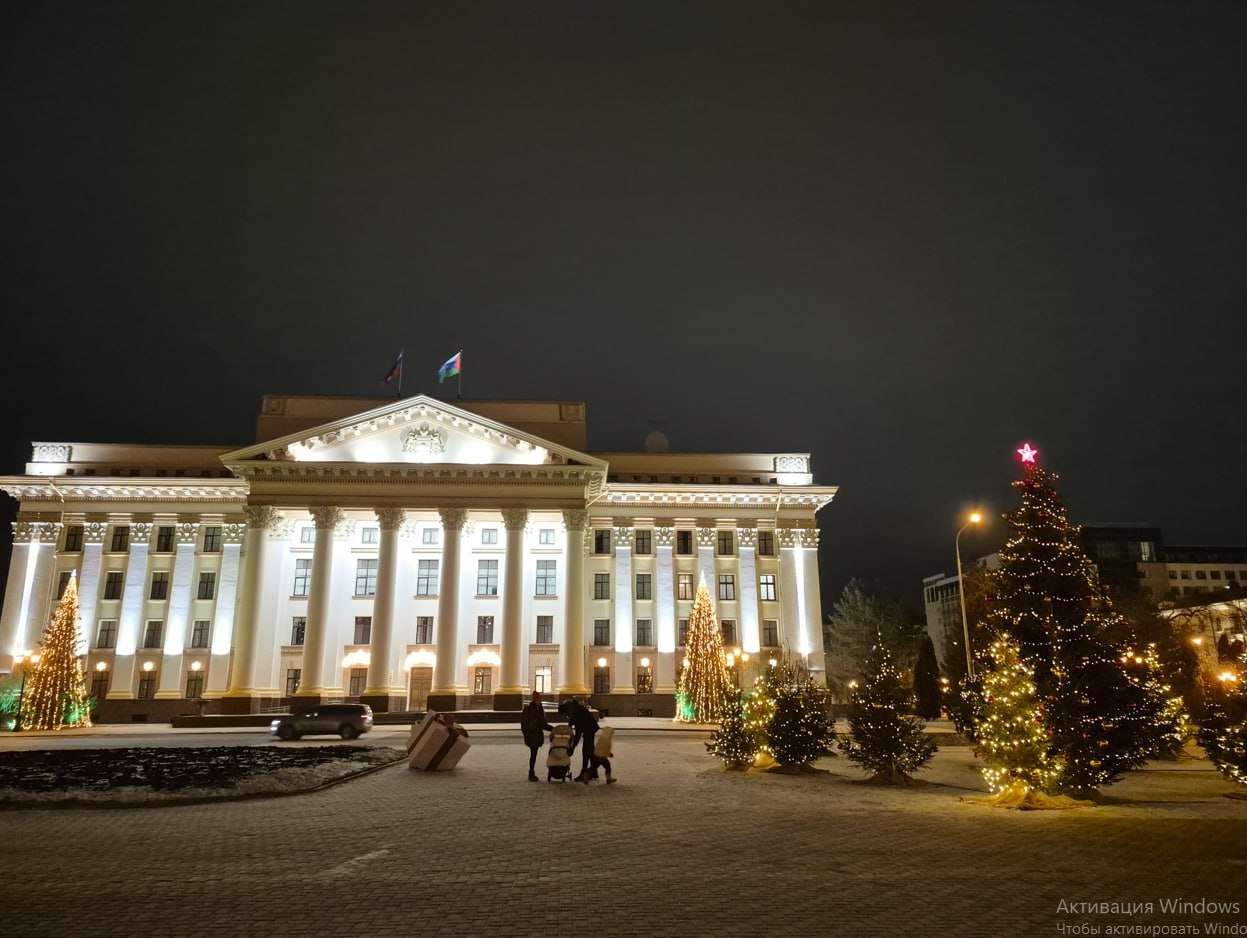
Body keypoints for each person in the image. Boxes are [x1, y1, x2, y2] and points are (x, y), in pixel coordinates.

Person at [566, 696, 615, 784]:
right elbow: (571, 723)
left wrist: (573, 746)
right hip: (590, 729)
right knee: (590, 751)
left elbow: (578, 733)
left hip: (589, 730)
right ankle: (594, 773)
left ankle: (584, 773)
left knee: (586, 751)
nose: (567, 715)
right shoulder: (576, 709)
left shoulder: (577, 712)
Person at [520, 692, 554, 782]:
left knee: (533, 754)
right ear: (535, 700)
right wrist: (553, 729)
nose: (539, 701)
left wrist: (553, 729)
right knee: (533, 754)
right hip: (533, 735)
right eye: (538, 699)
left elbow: (541, 723)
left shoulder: (534, 709)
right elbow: (540, 724)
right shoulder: (534, 710)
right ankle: (531, 772)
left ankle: (531, 772)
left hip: (533, 735)